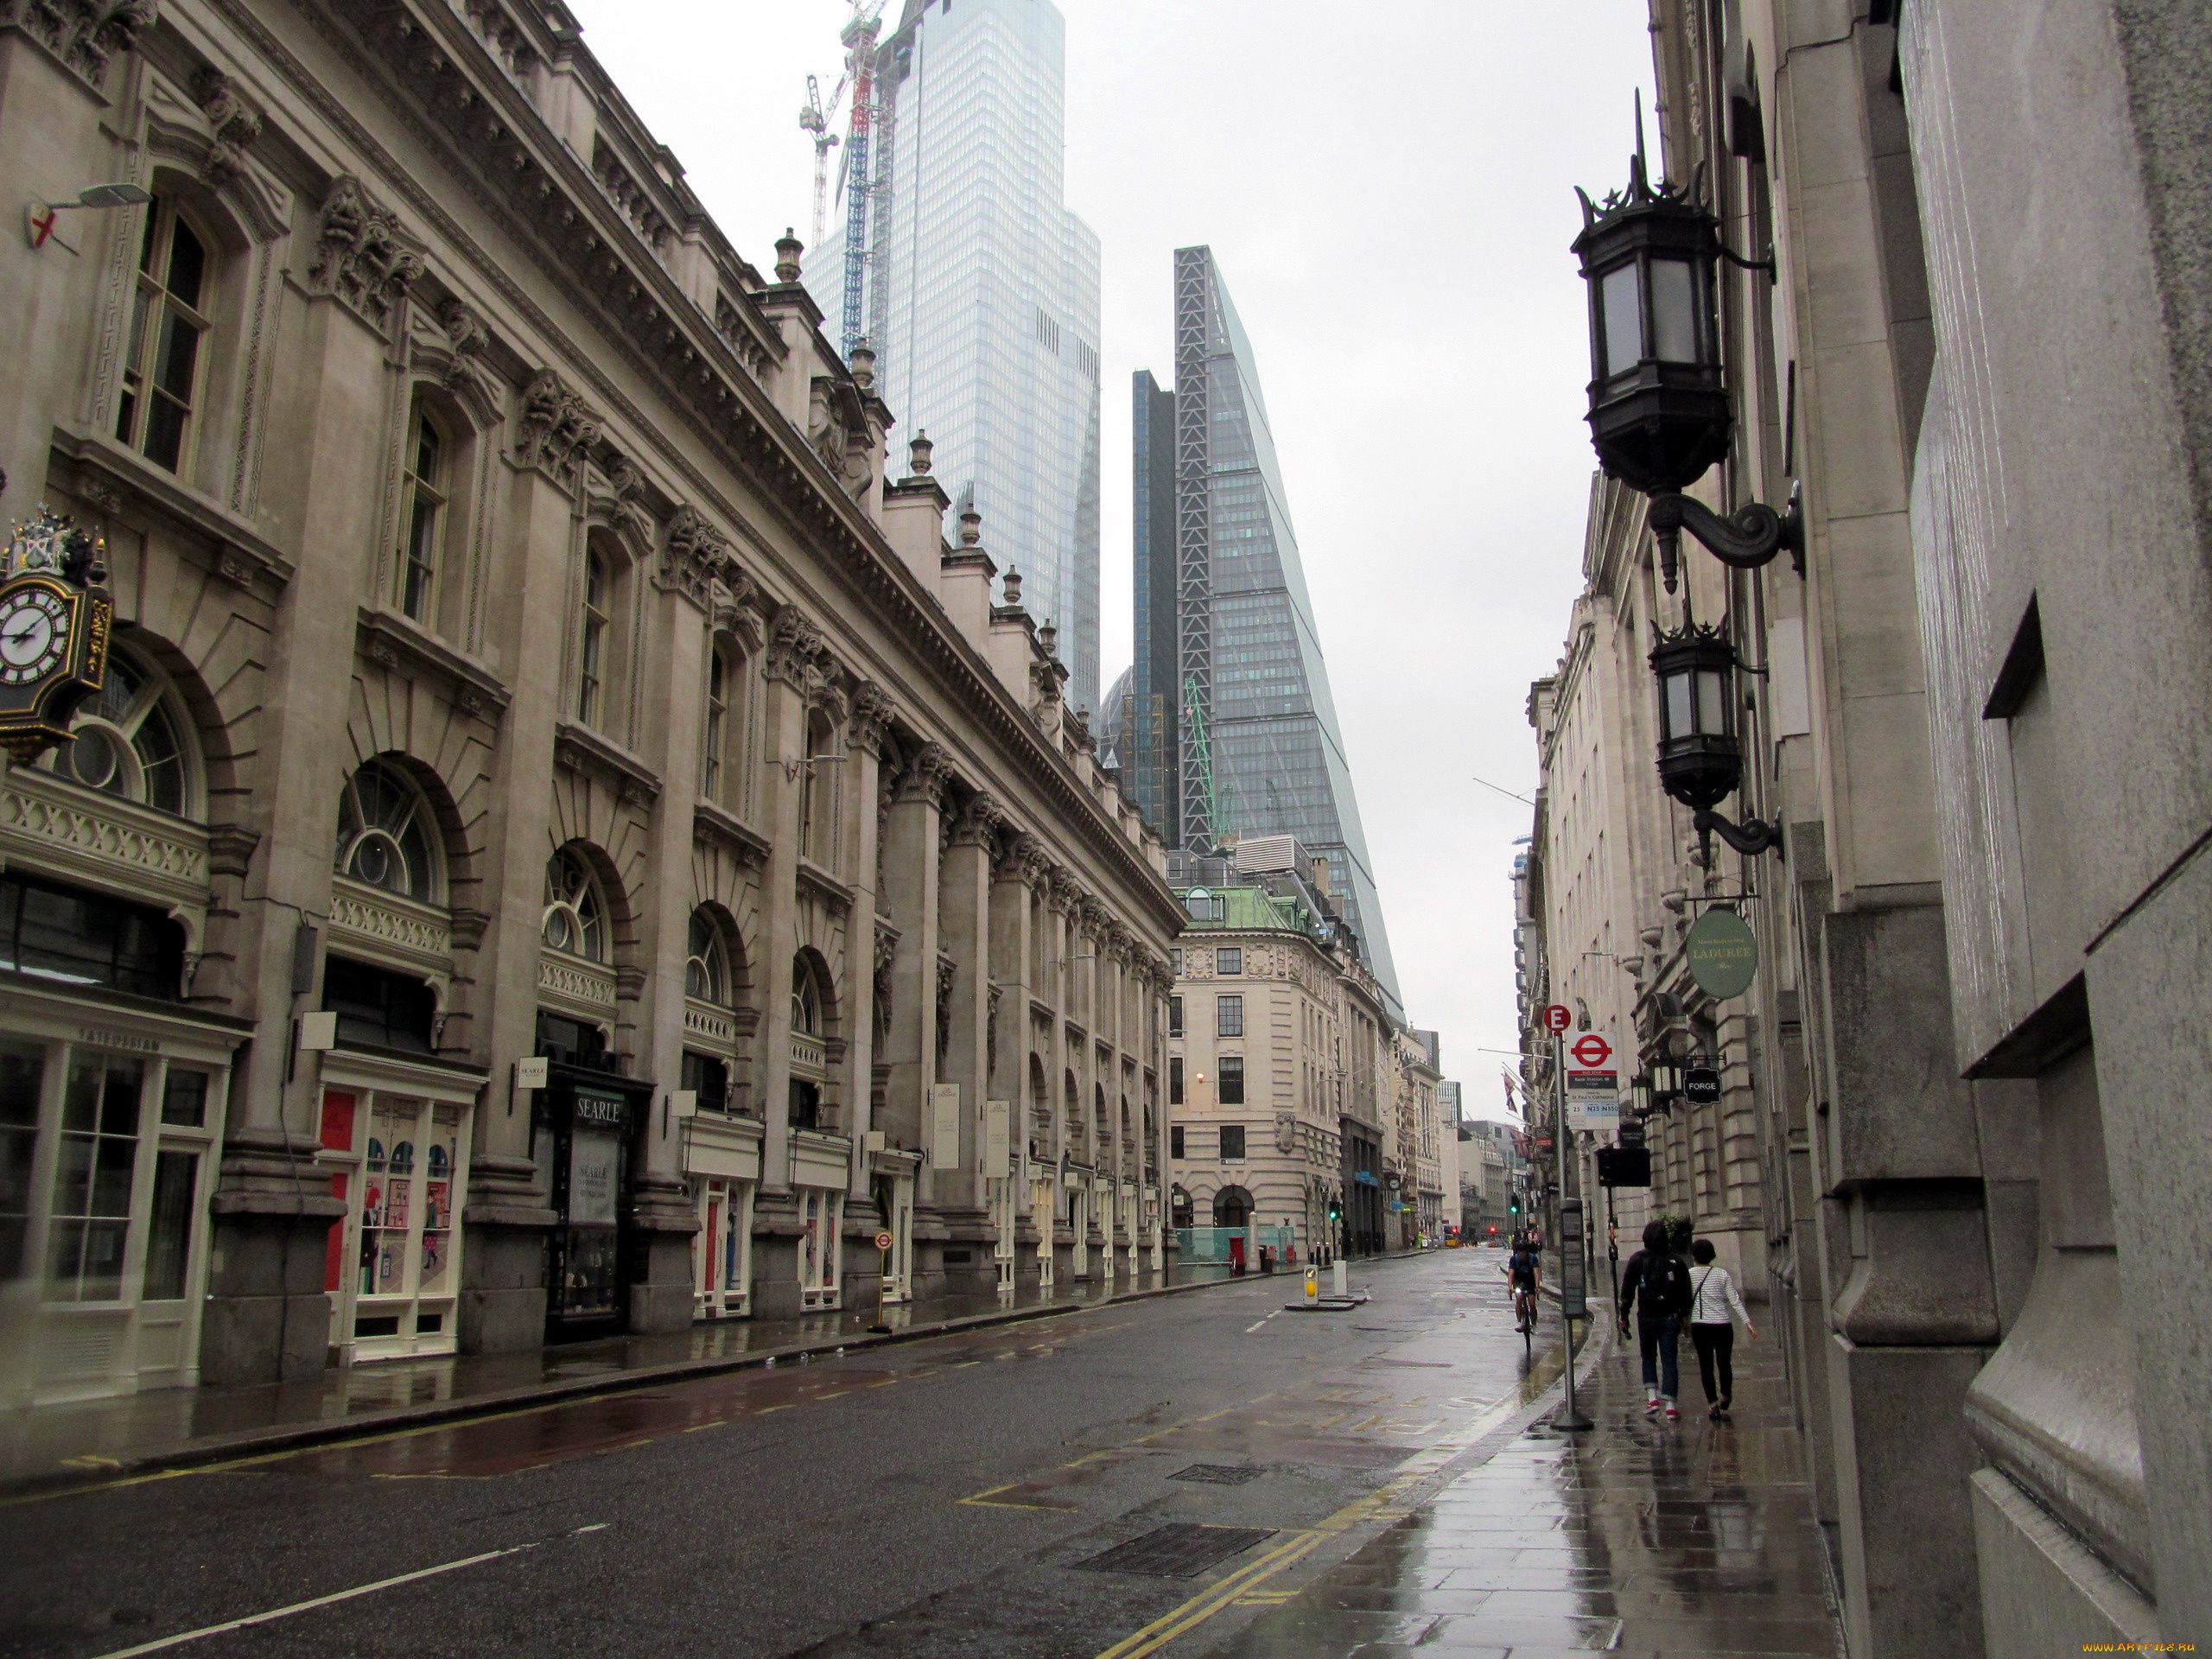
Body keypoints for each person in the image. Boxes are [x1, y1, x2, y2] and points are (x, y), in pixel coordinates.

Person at [1618, 1217, 1694, 1421]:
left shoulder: (1637, 1260)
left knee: (1648, 1355)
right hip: (1670, 1317)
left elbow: (1627, 1292)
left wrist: (1624, 1315)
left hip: (1647, 1317)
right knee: (1670, 1359)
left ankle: (1652, 1398)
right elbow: (1686, 1292)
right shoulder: (1677, 1261)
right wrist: (1685, 1317)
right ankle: (1670, 1404)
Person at [1688, 1237, 1757, 1420]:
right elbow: (1734, 1299)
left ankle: (1713, 1404)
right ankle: (1726, 1395)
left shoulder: (1689, 1275)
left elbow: (1685, 1302)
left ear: (1694, 1255)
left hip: (1700, 1325)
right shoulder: (1722, 1274)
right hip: (1723, 1325)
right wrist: (1747, 1322)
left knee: (1706, 1365)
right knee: (1724, 1362)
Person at [1503, 1232, 1541, 1331]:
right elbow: (1511, 1274)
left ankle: (1534, 1324)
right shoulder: (1514, 1260)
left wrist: (1537, 1286)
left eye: (1523, 1252)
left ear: (1527, 1251)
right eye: (1519, 1252)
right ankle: (1519, 1322)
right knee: (1519, 1299)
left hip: (1530, 1281)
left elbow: (1536, 1273)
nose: (1521, 1254)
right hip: (1519, 1281)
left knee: (1532, 1304)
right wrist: (1510, 1287)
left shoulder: (1533, 1258)